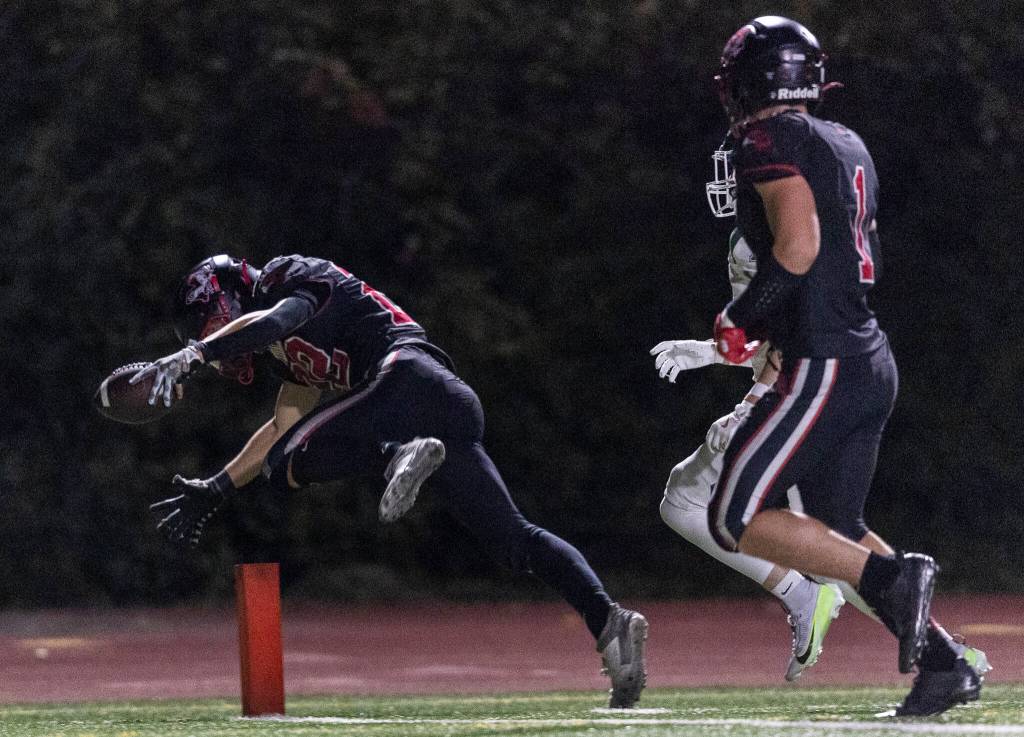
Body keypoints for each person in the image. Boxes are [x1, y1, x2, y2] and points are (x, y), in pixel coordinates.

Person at [131, 254, 648, 708]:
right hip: (442, 405)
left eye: (206, 323)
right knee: (514, 540)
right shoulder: (286, 357)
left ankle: (396, 453)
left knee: (291, 461)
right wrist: (218, 486)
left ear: (226, 294)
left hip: (409, 378)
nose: (205, 334)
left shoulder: (286, 276)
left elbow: (282, 319)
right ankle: (610, 623)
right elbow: (282, 429)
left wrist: (199, 355)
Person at [704, 16, 987, 715]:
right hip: (866, 353)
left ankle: (895, 577)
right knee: (835, 522)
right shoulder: (845, 138)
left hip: (824, 361)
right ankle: (945, 662)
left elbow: (798, 247)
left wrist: (741, 318)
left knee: (736, 515)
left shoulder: (770, 138)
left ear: (751, 81)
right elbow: (859, 254)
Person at [652, 226, 846, 682]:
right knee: (832, 548)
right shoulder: (771, 229)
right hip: (817, 388)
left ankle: (942, 653)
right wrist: (709, 351)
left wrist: (747, 411)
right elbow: (769, 336)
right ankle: (941, 652)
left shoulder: (777, 233)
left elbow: (791, 339)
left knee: (838, 553)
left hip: (805, 396)